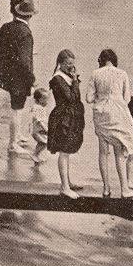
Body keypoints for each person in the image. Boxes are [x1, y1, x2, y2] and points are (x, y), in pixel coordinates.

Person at [86, 49, 133, 198]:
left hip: (101, 113)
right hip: (118, 113)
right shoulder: (122, 73)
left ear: (101, 60)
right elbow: (127, 99)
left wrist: (100, 97)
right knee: (119, 151)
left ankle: (106, 188)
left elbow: (89, 98)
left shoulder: (95, 73)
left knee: (103, 152)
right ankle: (124, 189)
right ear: (114, 60)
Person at [0, 0, 36, 155]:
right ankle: (13, 143)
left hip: (7, 73)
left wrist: (2, 69)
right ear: (30, 15)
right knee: (17, 110)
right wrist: (31, 79)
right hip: (20, 76)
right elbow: (25, 61)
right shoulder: (26, 33)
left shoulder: (6, 27)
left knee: (16, 109)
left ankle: (16, 136)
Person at [48, 49, 85, 198]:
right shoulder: (58, 78)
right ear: (61, 63)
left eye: (72, 64)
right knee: (64, 152)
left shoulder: (67, 76)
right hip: (63, 118)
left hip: (70, 117)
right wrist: (75, 81)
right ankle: (64, 187)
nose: (71, 66)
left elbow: (76, 97)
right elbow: (71, 98)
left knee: (67, 151)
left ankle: (67, 182)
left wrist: (74, 79)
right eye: (68, 64)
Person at [31, 87, 49, 163]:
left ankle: (36, 155)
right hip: (37, 131)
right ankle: (35, 155)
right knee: (44, 143)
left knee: (42, 143)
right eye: (46, 99)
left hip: (39, 130)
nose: (47, 101)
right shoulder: (38, 108)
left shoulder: (39, 107)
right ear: (40, 100)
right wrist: (46, 129)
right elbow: (39, 121)